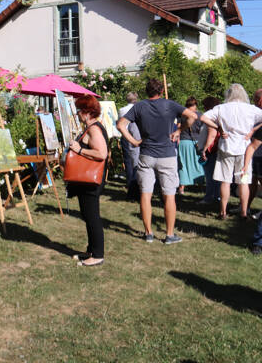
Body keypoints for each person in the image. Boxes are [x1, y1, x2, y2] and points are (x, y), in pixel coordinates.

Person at [117, 78, 218, 244]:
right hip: (167, 156)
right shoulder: (169, 104)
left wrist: (134, 141)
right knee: (169, 195)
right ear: (161, 91)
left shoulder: (139, 106)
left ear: (146, 91)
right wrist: (179, 130)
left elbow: (121, 124)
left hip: (146, 155)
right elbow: (193, 116)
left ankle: (148, 233)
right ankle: (169, 235)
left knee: (145, 194)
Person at [201, 84, 262, 219]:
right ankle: (244, 212)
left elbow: (203, 118)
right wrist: (253, 129)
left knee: (225, 181)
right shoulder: (251, 109)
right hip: (244, 148)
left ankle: (223, 212)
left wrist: (219, 128)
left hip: (226, 147)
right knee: (244, 181)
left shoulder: (221, 108)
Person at [67, 95, 109, 267]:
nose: (77, 114)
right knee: (87, 214)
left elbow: (101, 153)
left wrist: (79, 150)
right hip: (87, 180)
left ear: (87, 112)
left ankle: (97, 255)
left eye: (79, 111)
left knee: (92, 216)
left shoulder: (93, 129)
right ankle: (91, 250)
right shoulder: (91, 127)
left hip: (90, 180)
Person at [177, 96, 205, 194]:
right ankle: (201, 186)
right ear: (195, 105)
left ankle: (182, 187)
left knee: (183, 164)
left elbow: (178, 128)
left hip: (184, 142)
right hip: (197, 143)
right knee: (198, 164)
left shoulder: (182, 115)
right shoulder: (200, 115)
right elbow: (203, 130)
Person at [197, 96, 221, 205]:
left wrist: (204, 150)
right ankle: (216, 196)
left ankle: (209, 197)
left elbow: (212, 134)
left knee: (210, 176)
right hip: (216, 150)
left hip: (210, 151)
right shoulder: (218, 118)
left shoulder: (210, 119)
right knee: (216, 176)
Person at [119, 92, 141, 200]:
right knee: (136, 163)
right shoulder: (139, 109)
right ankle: (134, 186)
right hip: (136, 136)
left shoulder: (122, 110)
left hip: (125, 135)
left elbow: (119, 122)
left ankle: (130, 182)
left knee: (128, 162)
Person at [246, 89, 262, 218]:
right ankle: (245, 207)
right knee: (252, 182)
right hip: (256, 153)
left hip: (258, 150)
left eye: (256, 99)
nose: (254, 101)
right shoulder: (254, 112)